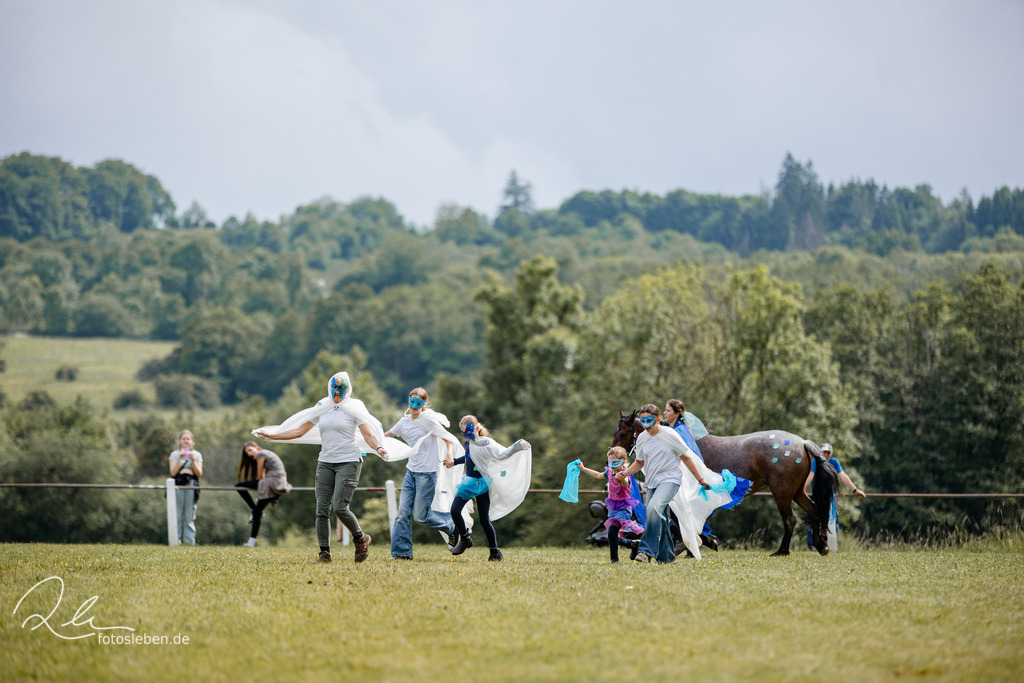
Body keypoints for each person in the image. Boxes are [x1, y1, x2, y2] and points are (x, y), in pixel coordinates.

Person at [254, 371, 394, 564]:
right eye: (335, 388)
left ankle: (361, 539)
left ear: (348, 389)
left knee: (339, 507)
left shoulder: (354, 407)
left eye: (342, 388)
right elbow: (299, 431)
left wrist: (378, 447)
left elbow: (368, 434)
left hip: (349, 461)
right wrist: (272, 435)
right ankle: (324, 554)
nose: (338, 392)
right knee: (321, 509)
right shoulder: (323, 406)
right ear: (330, 388)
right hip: (326, 462)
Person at [383, 387, 460, 560]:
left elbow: (448, 438)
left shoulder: (428, 420)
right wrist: (370, 444)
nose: (414, 405)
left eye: (419, 402)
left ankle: (451, 524)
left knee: (420, 516)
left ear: (424, 403)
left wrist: (449, 454)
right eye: (412, 401)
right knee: (402, 513)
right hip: (411, 472)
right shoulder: (404, 423)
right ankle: (401, 553)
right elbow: (386, 436)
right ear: (408, 401)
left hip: (427, 474)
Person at [448, 415, 532, 562]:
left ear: (477, 428)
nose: (466, 436)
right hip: (468, 483)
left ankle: (495, 551)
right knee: (455, 510)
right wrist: (454, 461)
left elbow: (502, 455)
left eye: (468, 432)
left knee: (484, 520)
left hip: (482, 484)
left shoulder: (486, 443)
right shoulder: (468, 443)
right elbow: (468, 457)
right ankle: (465, 539)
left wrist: (516, 446)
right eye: (463, 433)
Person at [664, 398, 717, 550]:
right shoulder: (676, 429)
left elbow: (688, 455)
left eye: (668, 410)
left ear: (677, 413)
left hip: (685, 474)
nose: (665, 413)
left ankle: (685, 540)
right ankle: (696, 540)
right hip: (681, 473)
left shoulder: (680, 431)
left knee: (677, 507)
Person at [577, 446, 644, 563]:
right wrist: (583, 468)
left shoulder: (625, 473)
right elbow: (598, 475)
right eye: (610, 462)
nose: (612, 465)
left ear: (623, 462)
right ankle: (632, 544)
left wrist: (621, 479)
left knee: (612, 532)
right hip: (612, 507)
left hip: (623, 507)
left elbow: (625, 483)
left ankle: (614, 559)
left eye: (615, 462)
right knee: (611, 534)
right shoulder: (609, 472)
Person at [805, 442, 866, 551]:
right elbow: (810, 476)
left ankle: (828, 545)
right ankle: (813, 546)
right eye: (824, 452)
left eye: (828, 452)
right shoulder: (815, 461)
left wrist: (855, 490)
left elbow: (843, 476)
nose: (826, 455)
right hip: (816, 495)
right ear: (820, 453)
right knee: (813, 518)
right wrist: (800, 490)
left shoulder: (834, 462)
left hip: (829, 497)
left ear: (831, 453)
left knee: (830, 520)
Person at [236, 441, 293, 547]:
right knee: (257, 511)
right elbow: (261, 477)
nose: (248, 454)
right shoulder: (266, 453)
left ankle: (251, 541)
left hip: (273, 482)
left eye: (250, 450)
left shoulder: (261, 454)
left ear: (256, 447)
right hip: (276, 482)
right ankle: (251, 542)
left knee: (239, 486)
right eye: (246, 452)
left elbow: (259, 477)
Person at [169, 429, 203, 546]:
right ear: (179, 441)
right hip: (178, 483)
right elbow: (173, 472)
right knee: (177, 513)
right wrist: (179, 458)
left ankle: (189, 541)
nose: (186, 441)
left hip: (191, 483)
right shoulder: (174, 454)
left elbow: (198, 473)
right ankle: (176, 540)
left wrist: (193, 461)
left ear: (192, 441)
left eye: (188, 439)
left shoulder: (197, 455)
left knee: (189, 514)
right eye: (183, 438)